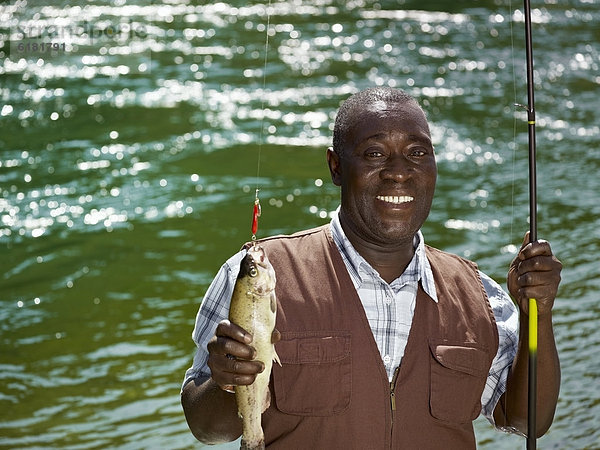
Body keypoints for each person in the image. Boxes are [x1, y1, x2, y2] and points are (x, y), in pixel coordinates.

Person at [181, 87, 562, 449]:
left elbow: (527, 421)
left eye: (417, 153)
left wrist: (538, 317)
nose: (399, 171)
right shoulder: (255, 276)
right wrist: (226, 381)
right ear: (335, 167)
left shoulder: (481, 295)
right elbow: (207, 428)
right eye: (375, 154)